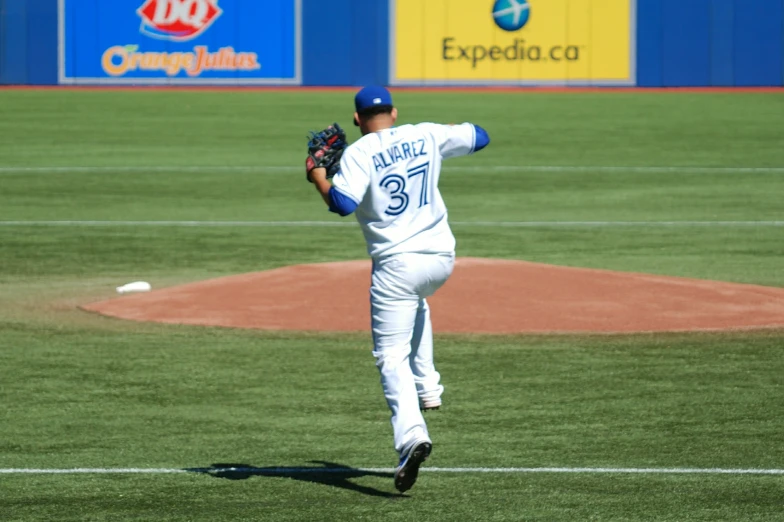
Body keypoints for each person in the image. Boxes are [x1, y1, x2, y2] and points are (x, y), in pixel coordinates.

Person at [305, 86, 490, 493]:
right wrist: (436, 136)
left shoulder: (358, 153)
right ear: (394, 111)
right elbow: (480, 135)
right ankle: (429, 389)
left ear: (357, 120)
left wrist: (318, 175)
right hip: (441, 259)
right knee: (417, 301)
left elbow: (342, 203)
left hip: (398, 265)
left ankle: (411, 438)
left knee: (390, 355)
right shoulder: (424, 133)